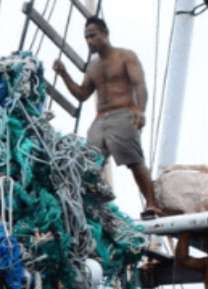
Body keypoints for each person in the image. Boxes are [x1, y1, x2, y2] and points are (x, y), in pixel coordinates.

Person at [53, 17, 165, 217]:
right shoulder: (93, 67)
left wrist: (140, 110)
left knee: (133, 160)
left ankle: (152, 203)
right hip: (100, 120)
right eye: (86, 37)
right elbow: (82, 94)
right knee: (88, 163)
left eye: (93, 35)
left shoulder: (125, 56)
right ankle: (88, 206)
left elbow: (139, 85)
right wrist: (64, 74)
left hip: (123, 113)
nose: (89, 40)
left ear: (105, 34)